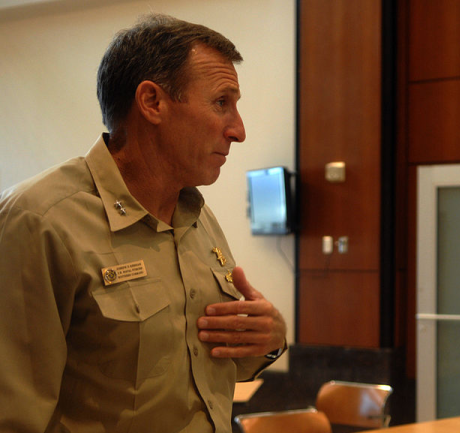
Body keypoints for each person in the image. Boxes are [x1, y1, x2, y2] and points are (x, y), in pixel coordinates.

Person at [0, 14, 287, 432]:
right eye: (221, 103)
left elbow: (200, 368)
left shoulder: (197, 217)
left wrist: (269, 341)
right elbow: (13, 414)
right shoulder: (39, 220)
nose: (238, 131)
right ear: (152, 102)